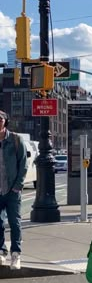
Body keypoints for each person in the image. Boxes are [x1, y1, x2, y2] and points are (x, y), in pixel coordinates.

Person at [0, 110, 28, 270]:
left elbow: (23, 165)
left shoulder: (16, 140)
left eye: (0, 119)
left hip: (12, 190)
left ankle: (16, 254)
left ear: (5, 121)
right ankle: (1, 251)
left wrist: (17, 187)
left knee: (14, 223)